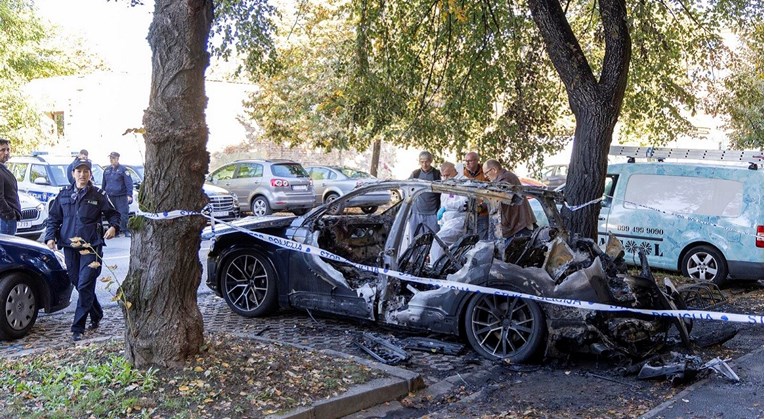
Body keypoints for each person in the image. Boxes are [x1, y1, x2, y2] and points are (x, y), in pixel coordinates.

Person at [45, 159, 121, 341]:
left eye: (86, 171)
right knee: (79, 283)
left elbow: (114, 214)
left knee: (86, 283)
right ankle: (96, 313)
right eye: (79, 171)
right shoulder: (63, 195)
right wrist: (50, 237)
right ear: (73, 173)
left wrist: (113, 227)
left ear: (90, 174)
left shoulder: (98, 194)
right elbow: (53, 218)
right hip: (69, 246)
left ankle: (77, 328)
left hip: (91, 246)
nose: (82, 174)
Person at [482, 159, 537, 242]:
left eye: (486, 173)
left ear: (494, 170)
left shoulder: (505, 178)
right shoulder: (503, 178)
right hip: (516, 226)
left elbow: (498, 194)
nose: (486, 176)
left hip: (519, 227)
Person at [429, 162, 467, 263]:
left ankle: (434, 268)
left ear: (454, 171)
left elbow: (464, 202)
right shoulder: (447, 182)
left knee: (438, 242)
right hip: (448, 222)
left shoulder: (463, 181)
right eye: (443, 175)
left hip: (458, 221)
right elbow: (444, 201)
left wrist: (447, 207)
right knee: (447, 250)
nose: (445, 178)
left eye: (447, 175)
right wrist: (441, 222)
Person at [407, 151, 441, 242]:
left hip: (432, 214)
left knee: (433, 241)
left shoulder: (437, 174)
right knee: (414, 241)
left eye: (426, 161)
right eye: (422, 162)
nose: (424, 164)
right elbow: (407, 188)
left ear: (431, 161)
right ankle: (414, 257)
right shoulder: (415, 174)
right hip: (416, 214)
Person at [102, 152, 133, 237]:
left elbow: (129, 183)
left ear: (117, 159)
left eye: (113, 158)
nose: (111, 160)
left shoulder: (123, 170)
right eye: (110, 158)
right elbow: (104, 184)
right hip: (110, 196)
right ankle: (115, 231)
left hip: (121, 196)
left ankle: (124, 230)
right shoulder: (107, 170)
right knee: (112, 214)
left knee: (123, 213)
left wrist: (129, 195)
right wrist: (102, 194)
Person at [462, 151, 490, 239]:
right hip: (468, 214)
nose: (467, 163)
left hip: (483, 214)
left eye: (470, 161)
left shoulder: (486, 173)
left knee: (483, 241)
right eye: (465, 161)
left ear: (477, 160)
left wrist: (483, 206)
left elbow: (491, 194)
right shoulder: (462, 174)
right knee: (468, 241)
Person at [0, 138, 21, 235]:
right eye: (3, 150)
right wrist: (10, 214)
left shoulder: (3, 169)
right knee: (6, 249)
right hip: (5, 220)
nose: (6, 153)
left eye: (8, 149)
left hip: (7, 220)